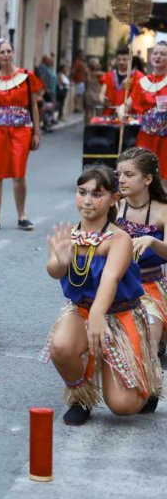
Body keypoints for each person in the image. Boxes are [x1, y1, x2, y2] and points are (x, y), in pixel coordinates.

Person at [42, 166, 162, 425]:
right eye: (81, 192)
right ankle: (81, 397)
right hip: (82, 309)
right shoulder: (71, 235)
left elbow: (110, 278)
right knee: (61, 347)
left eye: (97, 194)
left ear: (114, 199)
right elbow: (54, 270)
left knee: (123, 407)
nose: (87, 200)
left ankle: (149, 380)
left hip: (120, 313)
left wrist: (98, 314)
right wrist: (60, 261)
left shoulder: (119, 239)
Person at [0, 39, 43, 231]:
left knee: (19, 173)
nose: (6, 55)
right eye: (2, 52)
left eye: (9, 51)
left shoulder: (27, 76)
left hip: (21, 129)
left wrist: (36, 132)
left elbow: (33, 105)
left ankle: (22, 215)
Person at [116, 147, 167, 357]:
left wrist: (152, 242)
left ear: (147, 179)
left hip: (150, 287)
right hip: (115, 283)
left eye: (129, 175)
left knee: (146, 348)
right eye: (118, 174)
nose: (121, 180)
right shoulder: (113, 205)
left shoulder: (163, 210)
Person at [126, 41, 167, 181]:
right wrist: (121, 109)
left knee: (163, 178)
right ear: (150, 57)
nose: (158, 56)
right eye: (155, 53)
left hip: (165, 139)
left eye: (163, 54)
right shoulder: (142, 82)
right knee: (144, 177)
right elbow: (128, 104)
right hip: (146, 137)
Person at [100, 47, 143, 116]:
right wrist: (104, 100)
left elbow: (141, 97)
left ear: (130, 60)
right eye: (119, 59)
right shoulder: (109, 75)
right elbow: (101, 94)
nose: (121, 62)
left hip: (129, 115)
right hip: (110, 114)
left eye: (124, 59)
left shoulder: (138, 76)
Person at [83, 57, 104, 124]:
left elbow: (85, 82)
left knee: (88, 111)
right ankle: (97, 127)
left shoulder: (87, 73)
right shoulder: (100, 74)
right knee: (99, 111)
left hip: (88, 93)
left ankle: (88, 127)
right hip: (97, 93)